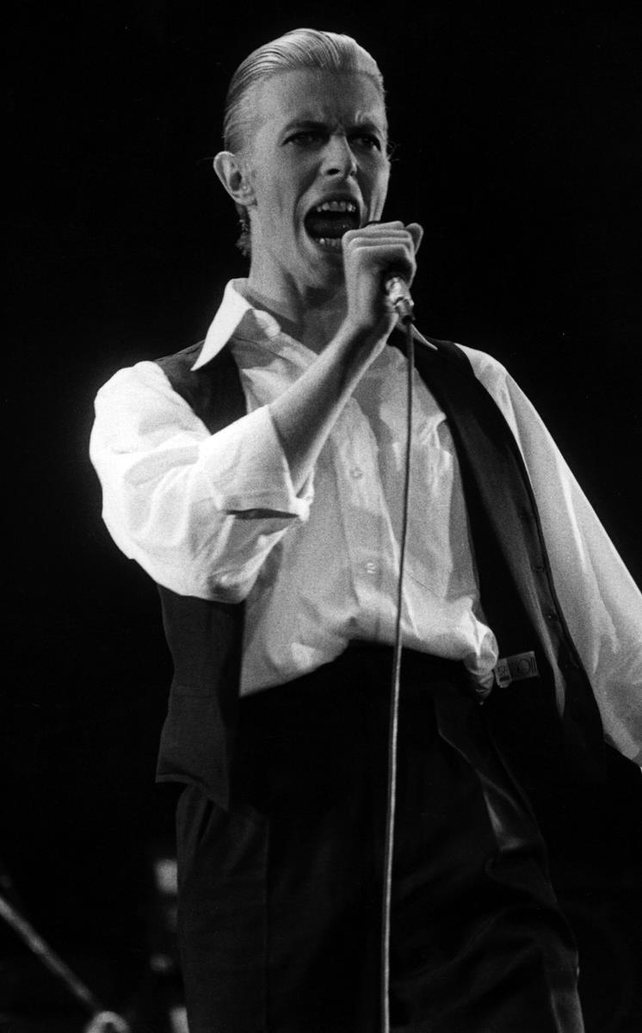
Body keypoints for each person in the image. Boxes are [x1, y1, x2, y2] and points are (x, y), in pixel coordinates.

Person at [90, 27, 642, 1033]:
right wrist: (352, 342)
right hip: (267, 822)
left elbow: (617, 640)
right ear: (238, 178)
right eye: (306, 137)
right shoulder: (153, 398)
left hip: (461, 794)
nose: (345, 161)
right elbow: (203, 548)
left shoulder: (471, 388)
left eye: (368, 140)